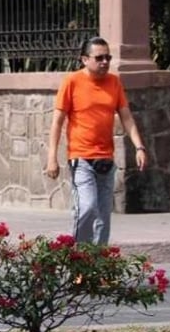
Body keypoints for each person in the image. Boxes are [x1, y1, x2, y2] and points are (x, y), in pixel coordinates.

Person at [46, 36, 147, 245]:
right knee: (87, 207)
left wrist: (139, 147)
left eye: (107, 57)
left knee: (103, 217)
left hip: (106, 160)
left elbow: (127, 117)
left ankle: (98, 265)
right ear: (84, 59)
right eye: (99, 58)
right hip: (81, 159)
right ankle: (78, 258)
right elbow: (57, 122)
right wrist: (52, 158)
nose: (105, 62)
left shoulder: (114, 82)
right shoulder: (72, 82)